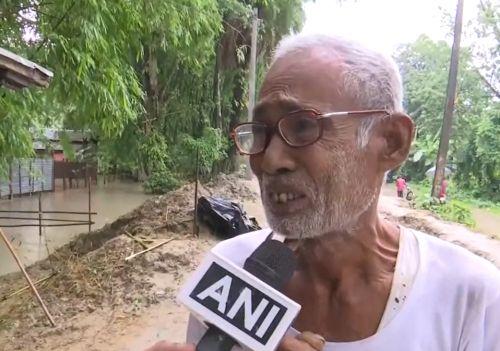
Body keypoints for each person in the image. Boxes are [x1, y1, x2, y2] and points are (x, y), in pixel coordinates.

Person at [145, 34, 500, 351]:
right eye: (260, 132)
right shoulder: (231, 269)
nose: (268, 161)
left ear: (391, 142)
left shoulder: (472, 299)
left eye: (302, 125)